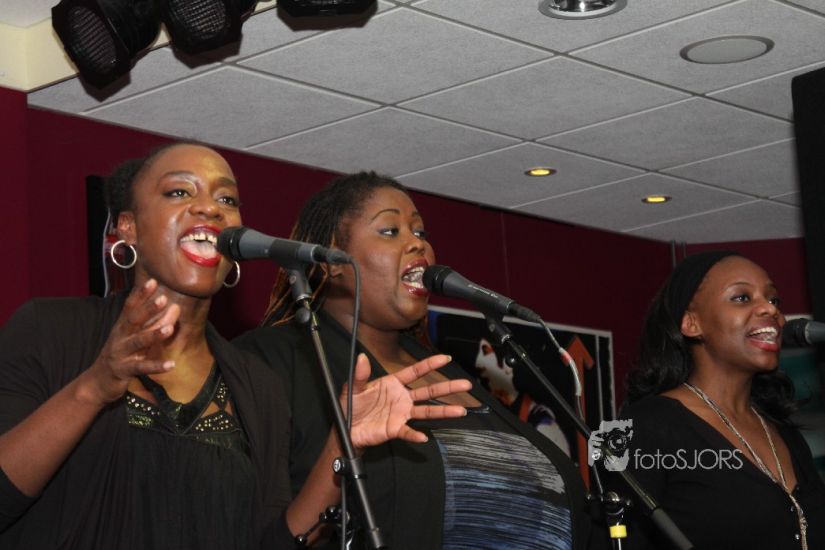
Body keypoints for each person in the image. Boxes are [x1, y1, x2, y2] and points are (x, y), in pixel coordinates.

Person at [0, 144, 470, 549]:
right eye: (179, 192)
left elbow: (274, 542)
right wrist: (95, 386)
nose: (210, 209)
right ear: (128, 227)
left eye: (227, 199)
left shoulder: (256, 385)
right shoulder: (51, 331)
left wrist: (342, 444)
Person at [235, 171, 598, 549]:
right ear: (330, 261)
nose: (417, 244)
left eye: (420, 232)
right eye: (390, 231)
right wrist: (343, 447)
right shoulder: (269, 361)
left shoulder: (447, 368)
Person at [616, 250, 825, 549]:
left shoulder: (784, 433)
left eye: (774, 300)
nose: (770, 309)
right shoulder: (645, 425)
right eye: (742, 297)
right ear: (691, 324)